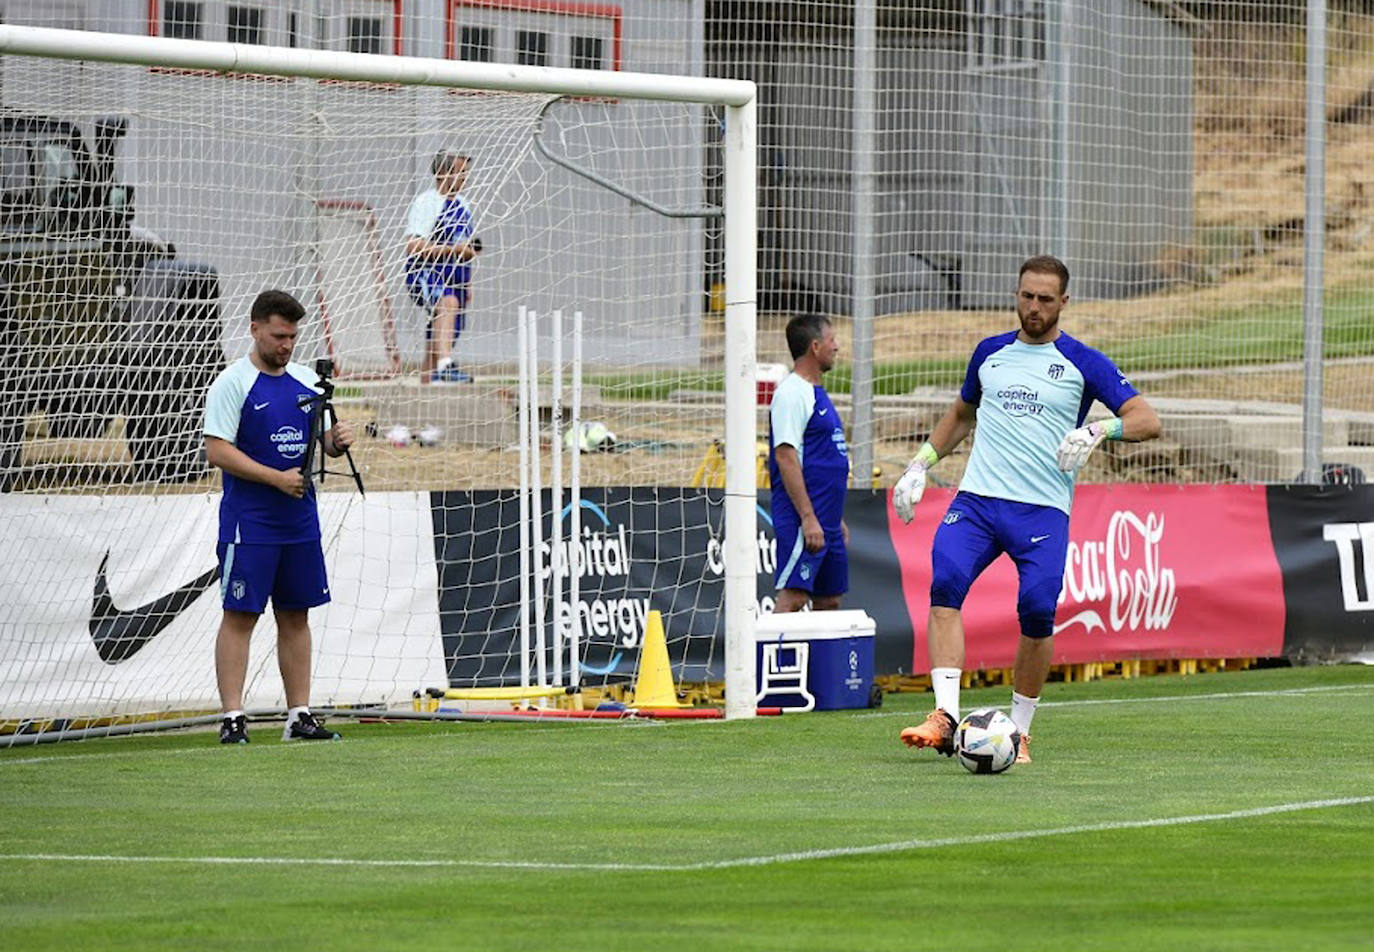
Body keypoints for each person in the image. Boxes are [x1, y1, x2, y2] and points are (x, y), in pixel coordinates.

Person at [893, 255, 1161, 764]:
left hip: (1041, 511)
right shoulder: (989, 353)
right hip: (977, 501)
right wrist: (919, 464)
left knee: (1038, 611)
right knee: (945, 581)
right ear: (1015, 295)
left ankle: (1018, 732)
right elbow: (961, 413)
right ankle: (945, 717)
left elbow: (1147, 419)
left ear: (1064, 302)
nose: (1033, 307)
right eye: (1025, 296)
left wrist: (1099, 429)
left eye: (1044, 299)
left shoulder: (1084, 362)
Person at [203, 289, 355, 745]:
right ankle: (233, 718)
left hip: (299, 522)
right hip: (249, 523)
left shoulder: (308, 381)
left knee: (296, 615)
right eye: (278, 336)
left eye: (292, 336)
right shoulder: (232, 383)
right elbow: (217, 451)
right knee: (240, 615)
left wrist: (337, 440)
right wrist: (274, 478)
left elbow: (319, 443)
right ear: (254, 329)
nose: (286, 345)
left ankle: (299, 716)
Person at [767, 313, 850, 613]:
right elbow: (785, 456)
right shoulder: (791, 393)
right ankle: (764, 661)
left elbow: (822, 456)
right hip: (805, 518)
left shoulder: (816, 393)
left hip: (826, 518)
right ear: (815, 347)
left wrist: (834, 518)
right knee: (794, 597)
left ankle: (820, 663)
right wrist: (808, 517)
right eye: (832, 340)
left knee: (829, 601)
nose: (837, 347)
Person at [404, 150, 480, 384]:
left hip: (456, 277)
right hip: (426, 274)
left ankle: (426, 385)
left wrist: (468, 282)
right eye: (461, 172)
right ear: (443, 173)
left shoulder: (464, 205)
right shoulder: (427, 202)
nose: (465, 177)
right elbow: (413, 245)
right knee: (447, 304)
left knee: (442, 332)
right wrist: (451, 249)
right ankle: (446, 366)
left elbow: (466, 246)